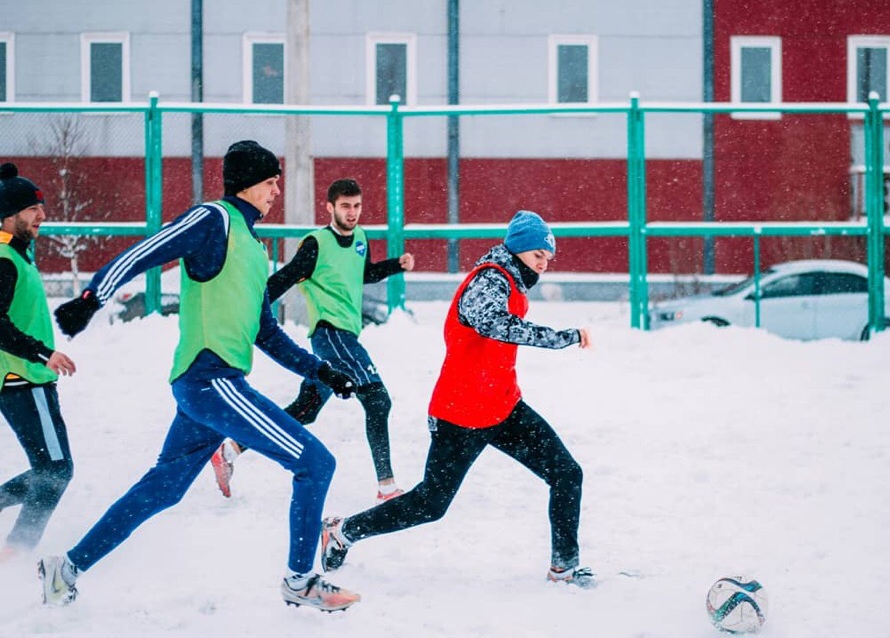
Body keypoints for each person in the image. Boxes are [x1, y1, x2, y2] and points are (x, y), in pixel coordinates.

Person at [37, 141, 361, 613]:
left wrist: (322, 371)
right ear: (248, 183)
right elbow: (151, 249)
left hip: (210, 390)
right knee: (316, 463)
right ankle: (300, 580)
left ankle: (64, 569)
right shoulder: (215, 219)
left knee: (164, 488)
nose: (276, 191)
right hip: (212, 381)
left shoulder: (253, 246)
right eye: (271, 181)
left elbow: (264, 331)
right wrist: (93, 298)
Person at [319, 210, 596, 588]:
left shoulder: (511, 282)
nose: (543, 267)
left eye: (547, 259)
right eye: (537, 257)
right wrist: (562, 337)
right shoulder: (488, 281)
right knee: (430, 504)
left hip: (502, 406)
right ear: (516, 252)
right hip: (460, 415)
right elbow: (494, 324)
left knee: (567, 474)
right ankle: (343, 531)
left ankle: (564, 568)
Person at [210, 178, 414, 503]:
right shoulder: (316, 244)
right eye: (345, 206)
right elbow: (283, 278)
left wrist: (395, 266)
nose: (352, 212)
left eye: (357, 205)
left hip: (343, 336)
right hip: (331, 334)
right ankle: (387, 487)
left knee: (305, 409)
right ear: (330, 207)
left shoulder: (360, 238)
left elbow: (362, 273)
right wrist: (250, 312)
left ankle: (230, 449)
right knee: (377, 400)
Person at [0, 163, 77, 563]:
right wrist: (44, 353)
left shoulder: (15, 254)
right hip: (23, 379)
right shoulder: (4, 258)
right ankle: (17, 550)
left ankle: (16, 547)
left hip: (25, 379)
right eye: (32, 209)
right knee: (55, 471)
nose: (42, 215)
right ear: (8, 216)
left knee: (52, 470)